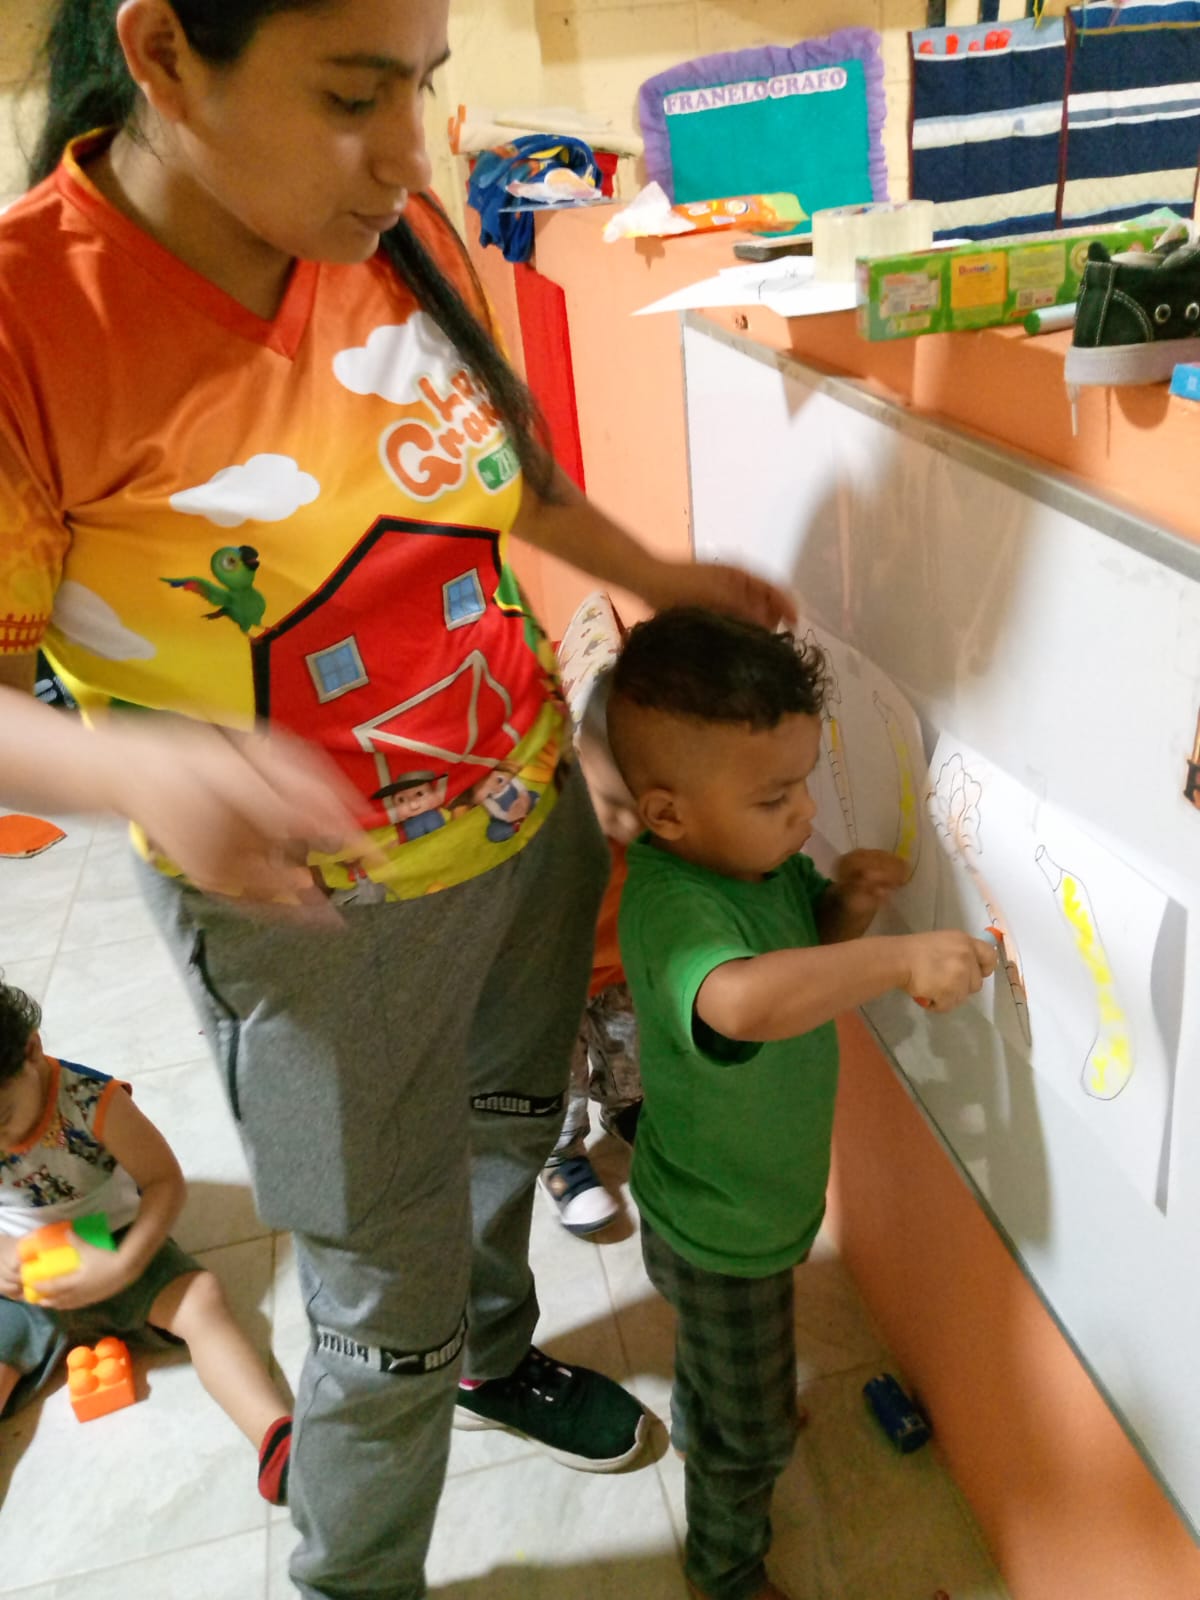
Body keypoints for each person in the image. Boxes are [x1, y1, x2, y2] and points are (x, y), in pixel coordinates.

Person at [0, 5, 795, 1596]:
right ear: (164, 55)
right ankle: (352, 1572)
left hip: (524, 823)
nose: (405, 153)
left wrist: (659, 572)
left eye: (420, 87)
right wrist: (134, 765)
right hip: (313, 927)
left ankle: (495, 1355)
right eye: (353, 95)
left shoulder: (400, 232)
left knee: (505, 1131)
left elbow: (511, 478)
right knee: (380, 1306)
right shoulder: (32, 320)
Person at [606, 609, 999, 1600]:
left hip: (750, 1203)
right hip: (714, 1223)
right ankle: (726, 1569)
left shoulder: (755, 864)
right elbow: (742, 1001)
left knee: (729, 1361)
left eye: (805, 782)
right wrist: (895, 958)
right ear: (667, 815)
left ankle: (718, 1413)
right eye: (776, 796)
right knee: (749, 1438)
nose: (804, 812)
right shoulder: (674, 904)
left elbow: (796, 954)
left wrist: (847, 909)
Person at [0, 976, 293, 1504]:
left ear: (32, 1051)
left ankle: (277, 1439)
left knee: (201, 1299)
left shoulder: (91, 1101)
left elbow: (163, 1182)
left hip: (113, 1238)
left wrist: (127, 1263)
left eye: (2, 1118)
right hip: (24, 1273)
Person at [538, 598, 643, 1236]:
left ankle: (625, 1108)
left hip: (622, 966)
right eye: (612, 803)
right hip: (553, 983)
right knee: (560, 1077)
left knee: (632, 1054)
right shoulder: (549, 822)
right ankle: (561, 1154)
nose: (630, 824)